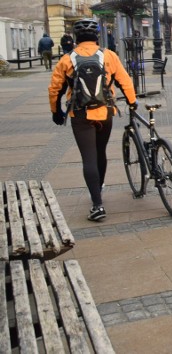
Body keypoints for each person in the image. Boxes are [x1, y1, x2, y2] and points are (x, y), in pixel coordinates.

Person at [48, 19, 137, 222]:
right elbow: (125, 81)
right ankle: (98, 188)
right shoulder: (109, 55)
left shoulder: (67, 59)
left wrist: (56, 112)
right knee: (100, 152)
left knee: (88, 157)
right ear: (97, 36)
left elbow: (55, 89)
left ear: (76, 37)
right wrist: (132, 103)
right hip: (105, 112)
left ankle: (97, 205)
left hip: (80, 115)